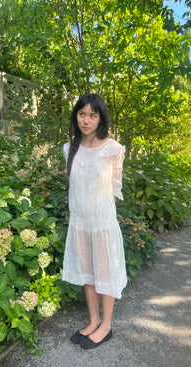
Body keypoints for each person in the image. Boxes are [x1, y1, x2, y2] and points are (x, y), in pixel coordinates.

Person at [62, 93, 127, 350]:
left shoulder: (112, 148)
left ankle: (106, 326)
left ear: (101, 118)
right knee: (88, 275)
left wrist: (100, 216)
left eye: (92, 115)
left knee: (105, 273)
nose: (86, 120)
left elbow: (113, 189)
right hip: (80, 223)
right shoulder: (69, 149)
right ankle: (93, 321)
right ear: (76, 115)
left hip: (102, 224)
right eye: (82, 114)